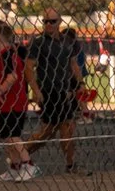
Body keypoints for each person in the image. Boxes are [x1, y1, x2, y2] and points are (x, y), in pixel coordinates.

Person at [21, 12, 88, 175]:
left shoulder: (67, 41)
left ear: (59, 22)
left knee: (67, 128)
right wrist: (36, 91)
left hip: (66, 91)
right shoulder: (39, 43)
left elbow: (73, 64)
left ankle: (71, 165)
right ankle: (20, 154)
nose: (48, 24)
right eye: (45, 21)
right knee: (47, 133)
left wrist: (80, 84)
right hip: (49, 91)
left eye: (52, 21)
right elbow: (28, 68)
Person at [0, 23, 36, 181]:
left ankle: (29, 164)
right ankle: (15, 166)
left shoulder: (8, 54)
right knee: (6, 137)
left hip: (15, 102)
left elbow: (12, 77)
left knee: (14, 136)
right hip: (7, 103)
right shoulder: (3, 55)